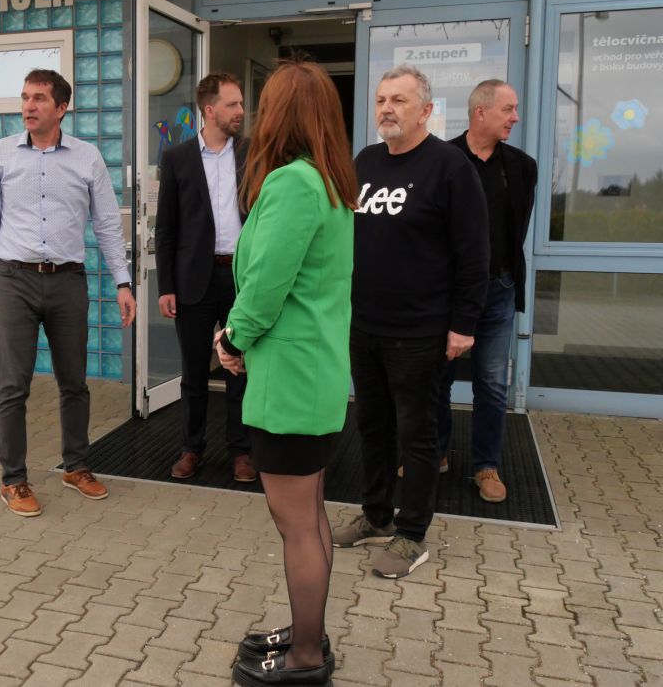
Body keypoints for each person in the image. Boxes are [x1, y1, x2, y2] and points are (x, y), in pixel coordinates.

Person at [214, 60, 358, 687]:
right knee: (311, 514)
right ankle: (308, 632)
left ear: (280, 115)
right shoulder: (330, 182)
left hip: (291, 382)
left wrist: (231, 338)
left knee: (296, 523)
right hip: (313, 376)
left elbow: (266, 285)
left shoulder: (293, 183)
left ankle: (305, 657)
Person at [332, 65, 489, 579]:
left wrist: (463, 324)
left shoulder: (450, 167)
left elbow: (474, 254)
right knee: (371, 426)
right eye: (381, 99)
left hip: (420, 331)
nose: (386, 108)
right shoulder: (366, 161)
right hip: (365, 325)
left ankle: (412, 534)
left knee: (416, 436)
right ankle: (376, 516)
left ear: (425, 111)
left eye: (398, 100)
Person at [0, 69, 135, 518]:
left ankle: (76, 467)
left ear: (62, 108)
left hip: (67, 281)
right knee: (13, 386)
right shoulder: (2, 152)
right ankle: (14, 479)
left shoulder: (87, 157)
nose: (29, 106)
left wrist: (122, 282)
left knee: (74, 382)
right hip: (13, 279)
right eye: (25, 97)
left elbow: (106, 223)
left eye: (40, 98)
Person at [439, 80, 537, 503]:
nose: (515, 117)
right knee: (436, 379)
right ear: (481, 112)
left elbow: (516, 229)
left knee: (493, 384)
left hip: (498, 289)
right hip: (446, 293)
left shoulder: (522, 166)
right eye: (508, 109)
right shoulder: (441, 159)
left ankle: (486, 466)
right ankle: (435, 453)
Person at [156, 72, 254, 483]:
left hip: (241, 279)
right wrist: (166, 286)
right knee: (194, 371)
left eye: (240, 103)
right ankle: (191, 448)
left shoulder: (252, 153)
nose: (240, 111)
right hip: (193, 280)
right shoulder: (177, 158)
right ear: (210, 110)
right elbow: (166, 227)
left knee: (240, 369)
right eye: (233, 104)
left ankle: (242, 452)